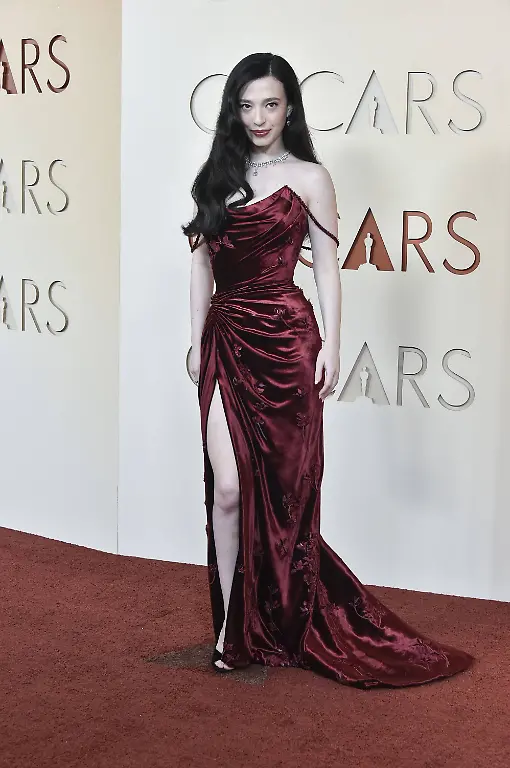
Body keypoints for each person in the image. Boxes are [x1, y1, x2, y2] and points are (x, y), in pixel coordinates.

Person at [182, 52, 474, 687]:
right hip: (226, 339)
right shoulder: (216, 176)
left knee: (286, 493)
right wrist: (194, 339)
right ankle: (231, 627)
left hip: (287, 343)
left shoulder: (312, 178)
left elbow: (325, 270)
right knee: (228, 487)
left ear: (290, 108)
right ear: (233, 111)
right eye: (247, 105)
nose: (259, 117)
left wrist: (332, 346)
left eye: (271, 104)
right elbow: (201, 266)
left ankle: (281, 617)